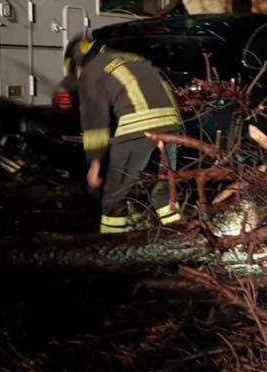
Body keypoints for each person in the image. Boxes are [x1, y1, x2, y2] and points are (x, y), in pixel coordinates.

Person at [64, 34, 184, 234]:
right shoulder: (128, 59)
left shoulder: (92, 71)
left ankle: (112, 248)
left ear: (78, 63)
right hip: (171, 125)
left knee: (115, 194)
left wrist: (95, 163)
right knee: (163, 191)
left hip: (140, 127)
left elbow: (96, 121)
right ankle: (181, 238)